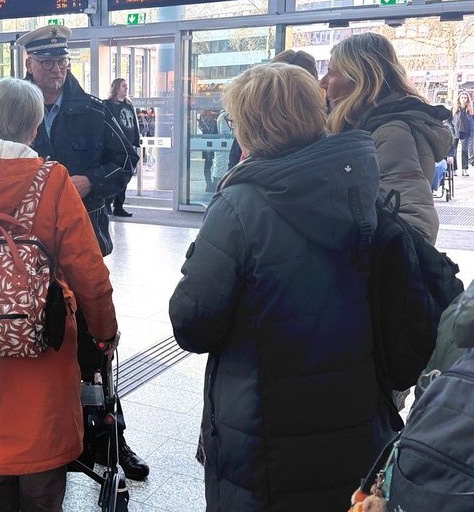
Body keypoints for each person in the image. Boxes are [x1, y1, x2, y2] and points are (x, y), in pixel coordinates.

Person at [169, 63, 393, 511]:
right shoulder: (361, 185)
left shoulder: (240, 206)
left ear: (250, 126)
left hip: (266, 430)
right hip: (356, 418)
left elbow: (193, 324)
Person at [0, 77, 119, 512]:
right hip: (43, 338)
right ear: (35, 130)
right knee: (41, 459)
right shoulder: (51, 181)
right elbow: (88, 271)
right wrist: (105, 333)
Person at [17, 25, 148, 481]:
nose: (56, 69)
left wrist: (90, 183)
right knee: (34, 344)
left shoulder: (92, 111)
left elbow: (126, 159)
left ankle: (111, 440)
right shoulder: (13, 109)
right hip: (26, 253)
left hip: (84, 239)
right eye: (46, 61)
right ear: (28, 63)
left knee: (95, 343)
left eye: (61, 60)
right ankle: (44, 438)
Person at [322, 32, 452, 244]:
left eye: (330, 73)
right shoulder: (371, 124)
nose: (323, 82)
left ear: (359, 78)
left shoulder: (390, 133)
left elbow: (417, 224)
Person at [104, 78, 140, 216]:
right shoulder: (108, 105)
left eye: (126, 85)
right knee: (113, 176)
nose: (126, 88)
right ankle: (107, 203)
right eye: (123, 86)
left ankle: (119, 206)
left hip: (128, 146)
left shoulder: (129, 105)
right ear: (116, 88)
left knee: (125, 176)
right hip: (114, 147)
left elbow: (133, 124)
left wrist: (136, 140)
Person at [451, 91, 473, 175]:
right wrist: (451, 128)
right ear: (459, 99)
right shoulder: (454, 109)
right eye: (462, 98)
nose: (464, 99)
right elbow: (447, 120)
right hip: (455, 132)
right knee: (454, 151)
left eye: (465, 98)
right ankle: (454, 170)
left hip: (466, 132)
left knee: (464, 150)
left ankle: (464, 169)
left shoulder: (470, 109)